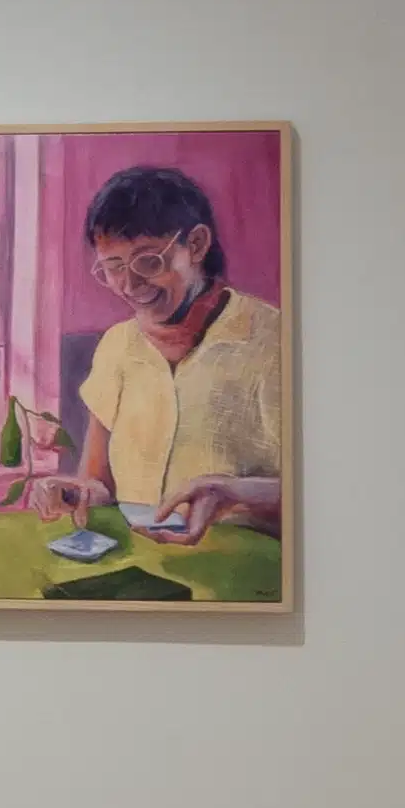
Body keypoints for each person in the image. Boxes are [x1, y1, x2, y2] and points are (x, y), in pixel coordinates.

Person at [73, 163, 288, 541]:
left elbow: (323, 489)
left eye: (148, 261)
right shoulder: (116, 346)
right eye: (113, 266)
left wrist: (234, 492)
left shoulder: (275, 340)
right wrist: (77, 492)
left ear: (197, 245)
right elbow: (97, 481)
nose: (129, 284)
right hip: (139, 562)